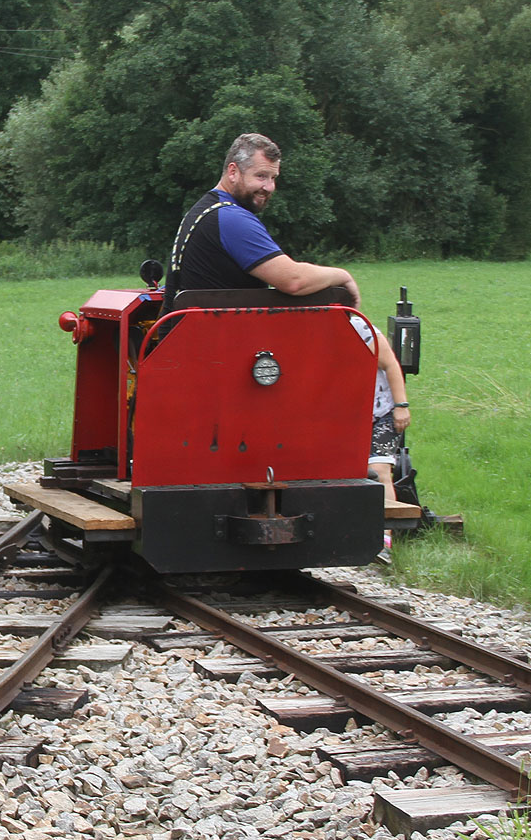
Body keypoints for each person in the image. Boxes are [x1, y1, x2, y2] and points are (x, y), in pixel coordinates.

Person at [163, 133, 361, 310]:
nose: (269, 187)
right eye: (261, 176)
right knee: (368, 336)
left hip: (194, 336)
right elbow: (293, 280)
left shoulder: (203, 210)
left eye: (273, 178)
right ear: (233, 172)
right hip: (220, 343)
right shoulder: (231, 218)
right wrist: (342, 276)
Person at [351, 317, 411, 558]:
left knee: (379, 471)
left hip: (380, 412)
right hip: (347, 415)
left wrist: (401, 405)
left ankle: (384, 540)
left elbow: (390, 364)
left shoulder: (362, 329)